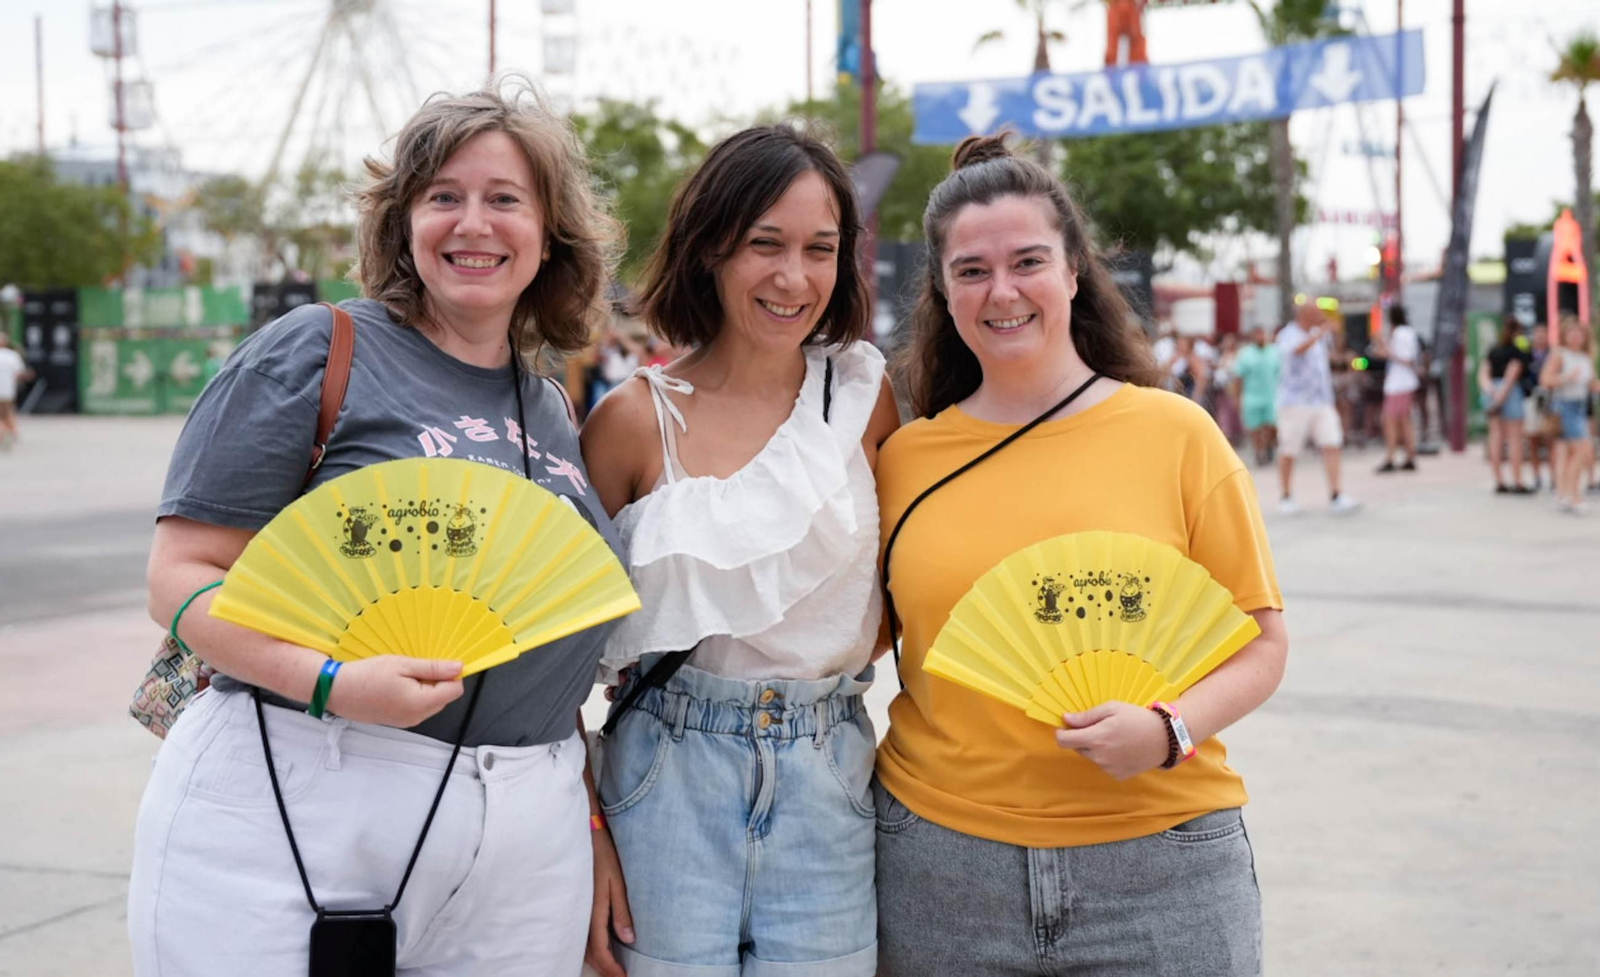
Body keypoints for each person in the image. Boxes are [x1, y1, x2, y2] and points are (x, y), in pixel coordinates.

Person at [129, 83, 622, 976]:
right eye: (444, 197)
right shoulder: (317, 351)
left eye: (505, 199)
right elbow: (179, 574)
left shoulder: (549, 406)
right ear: (402, 225)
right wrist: (327, 681)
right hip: (302, 794)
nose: (474, 222)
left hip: (524, 833)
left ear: (550, 235)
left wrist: (583, 814)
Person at [873, 134, 1288, 977]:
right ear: (943, 291)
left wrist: (1170, 729)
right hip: (940, 867)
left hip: (1163, 864)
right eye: (971, 270)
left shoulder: (1175, 434)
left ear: (1073, 272)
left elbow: (1262, 641)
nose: (1003, 291)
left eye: (1028, 261)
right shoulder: (904, 458)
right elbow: (859, 638)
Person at [580, 125, 900, 977]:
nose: (793, 277)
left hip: (830, 774)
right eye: (765, 244)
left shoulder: (866, 397)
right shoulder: (630, 421)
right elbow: (553, 658)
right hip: (661, 778)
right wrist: (587, 831)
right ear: (711, 248)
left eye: (819, 249)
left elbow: (904, 595)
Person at [1275, 303, 1360, 515]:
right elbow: (1297, 350)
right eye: (1317, 312)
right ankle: (1286, 496)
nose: (1321, 315)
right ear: (1306, 314)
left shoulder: (1320, 335)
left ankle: (1336, 494)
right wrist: (1321, 332)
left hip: (1321, 400)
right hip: (1295, 402)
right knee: (1289, 449)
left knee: (1332, 443)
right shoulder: (1288, 334)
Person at [1540, 318, 1599, 514]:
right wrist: (1566, 377)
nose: (1575, 337)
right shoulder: (1560, 354)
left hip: (1581, 406)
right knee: (1584, 452)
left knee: (1572, 454)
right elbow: (1545, 379)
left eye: (1579, 333)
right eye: (1572, 333)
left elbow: (1590, 383)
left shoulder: (1585, 357)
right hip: (1565, 406)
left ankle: (1564, 492)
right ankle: (1574, 495)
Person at [1479, 317, 1532, 494]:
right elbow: (1512, 374)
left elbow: (1483, 374)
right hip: (1509, 393)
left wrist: (1491, 392)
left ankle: (1499, 480)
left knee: (1496, 437)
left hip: (1492, 390)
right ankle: (1517, 480)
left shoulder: (1493, 350)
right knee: (1514, 439)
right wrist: (1501, 398)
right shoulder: (1518, 351)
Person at [1373, 305, 1420, 472]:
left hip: (1399, 384)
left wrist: (1383, 345)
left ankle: (1391, 457)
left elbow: (1404, 358)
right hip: (1404, 382)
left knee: (1390, 420)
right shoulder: (1409, 332)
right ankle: (1410, 455)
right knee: (1404, 421)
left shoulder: (1400, 334)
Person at [1235, 325, 1279, 466]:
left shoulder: (1274, 352)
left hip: (1271, 395)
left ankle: (1270, 445)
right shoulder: (1246, 354)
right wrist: (1238, 397)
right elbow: (1238, 377)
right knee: (1255, 428)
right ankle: (1259, 452)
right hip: (1252, 396)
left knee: (1272, 425)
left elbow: (1281, 374)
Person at [1524, 324, 1557, 491]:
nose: (1540, 337)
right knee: (1533, 439)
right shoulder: (1527, 355)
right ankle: (1536, 475)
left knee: (1550, 439)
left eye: (1543, 333)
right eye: (1537, 334)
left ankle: (1554, 477)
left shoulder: (1553, 354)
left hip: (1550, 399)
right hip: (1532, 398)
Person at [0, 331, 34, 450]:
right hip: (7, 391)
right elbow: (20, 374)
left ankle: (7, 434)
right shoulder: (12, 355)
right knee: (7, 413)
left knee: (4, 415)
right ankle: (12, 433)